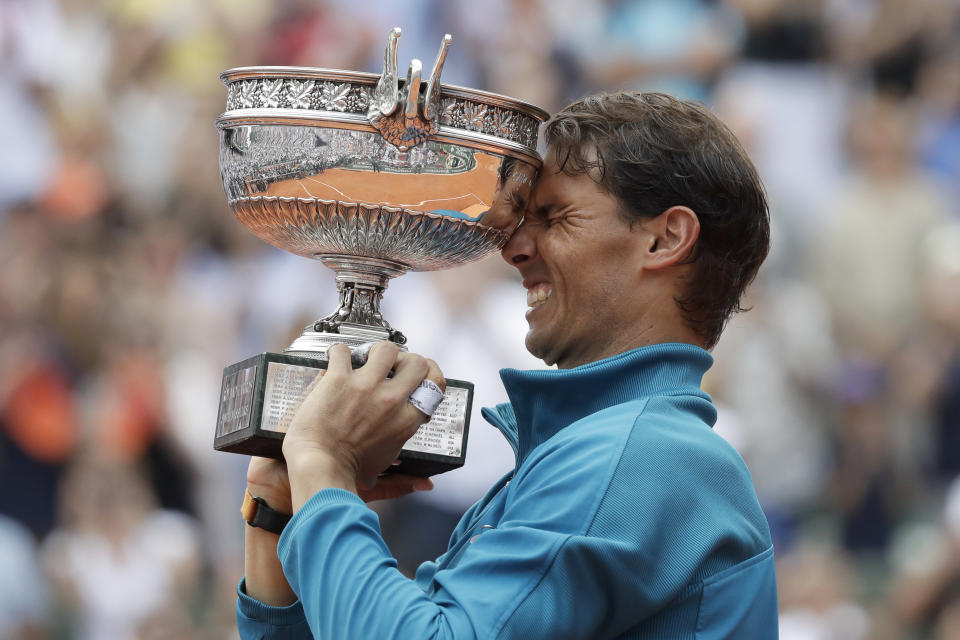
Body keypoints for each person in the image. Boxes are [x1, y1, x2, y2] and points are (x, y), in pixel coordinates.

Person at [237, 91, 777, 639]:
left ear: (665, 238)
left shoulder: (641, 457)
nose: (514, 246)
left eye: (555, 217)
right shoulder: (604, 453)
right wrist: (281, 515)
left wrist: (324, 465)